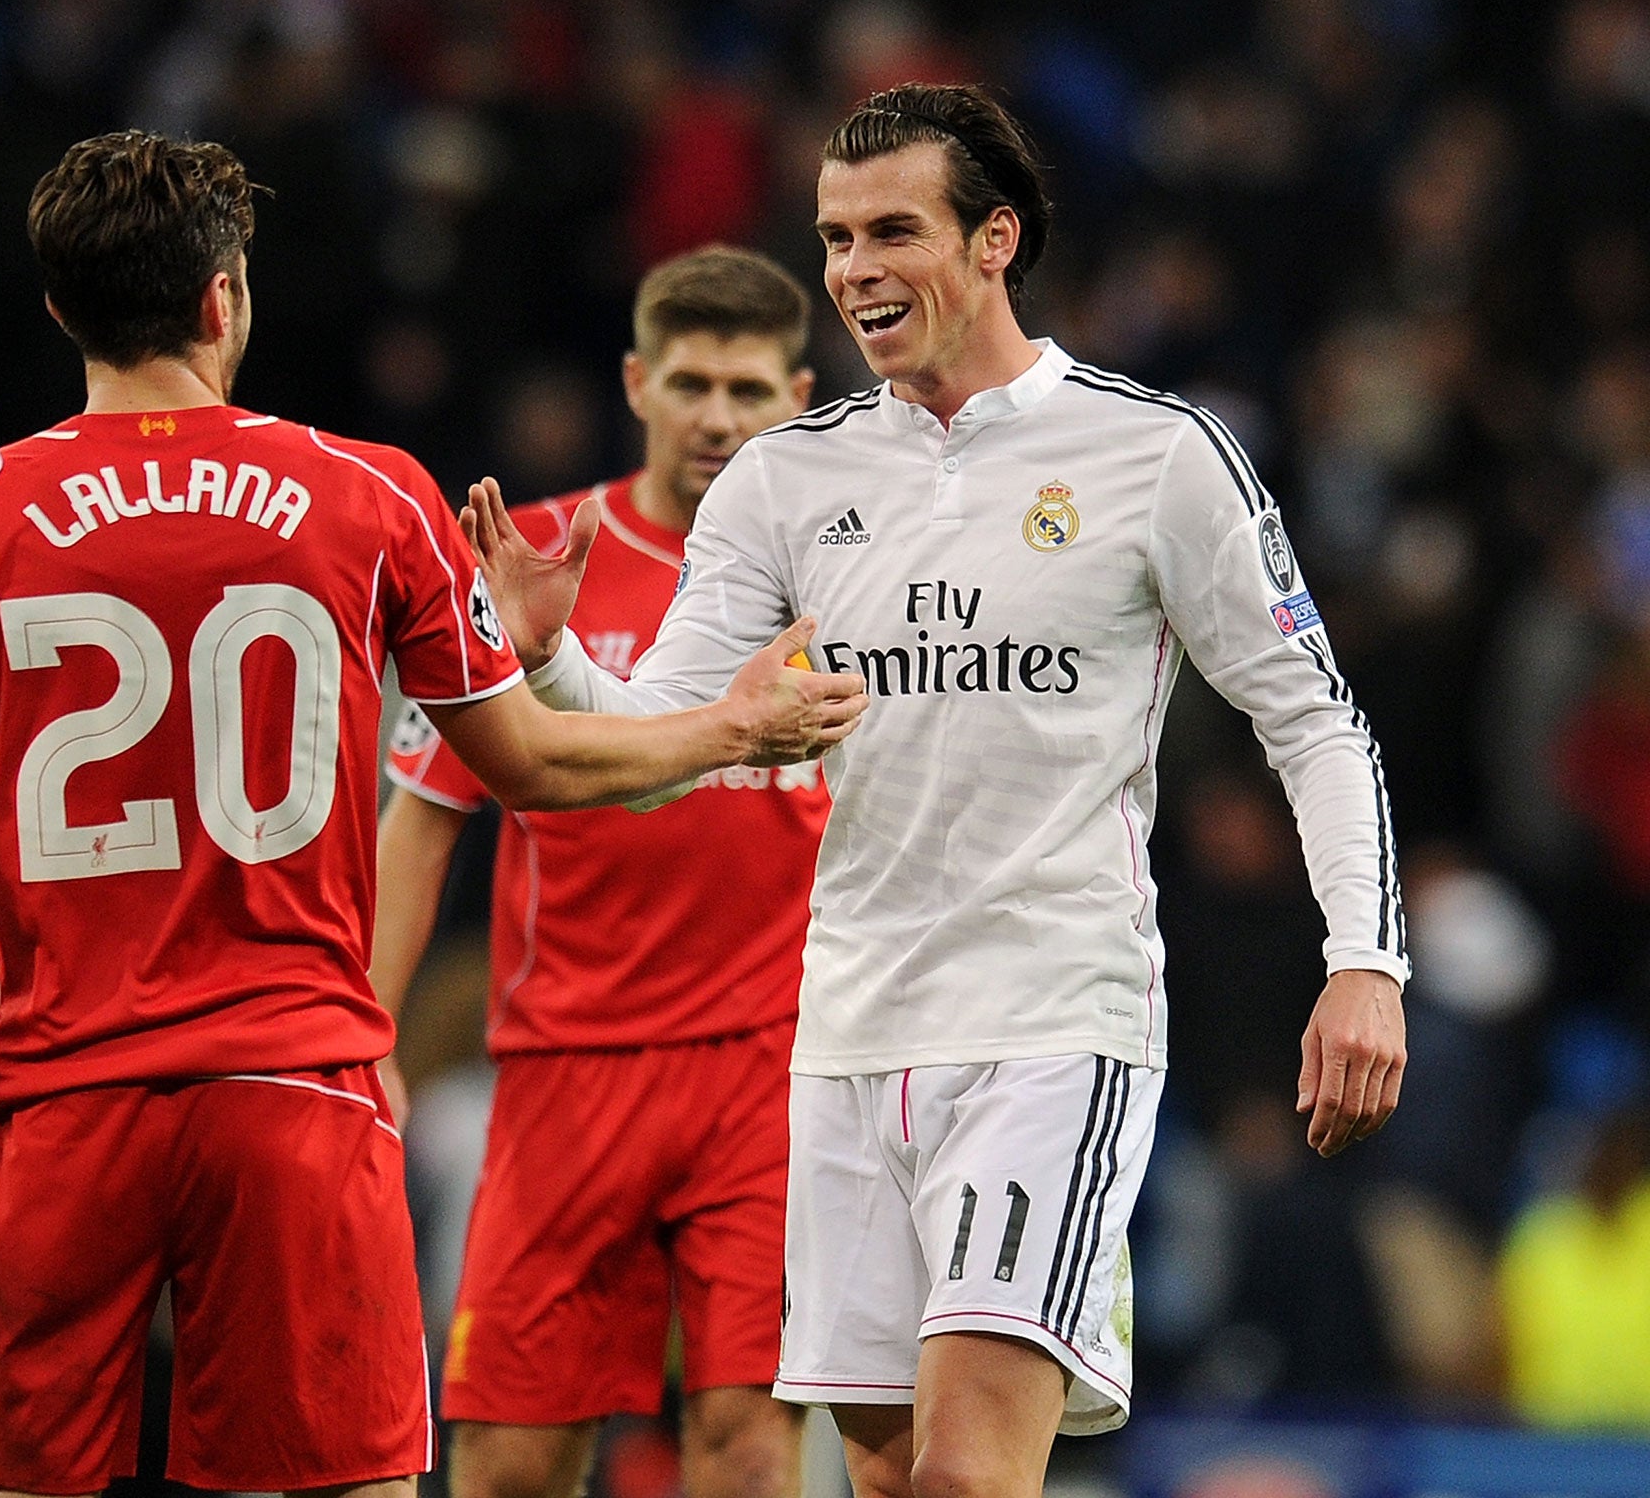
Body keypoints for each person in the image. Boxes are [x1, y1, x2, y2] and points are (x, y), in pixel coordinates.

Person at [0, 130, 865, 1498]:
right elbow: (533, 765)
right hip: (296, 1085)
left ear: (61, 307)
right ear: (223, 299)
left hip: (65, 1099)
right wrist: (738, 726)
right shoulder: (372, 496)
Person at [463, 83, 1409, 1498]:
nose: (852, 270)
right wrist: (541, 656)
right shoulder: (789, 478)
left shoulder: (1154, 453)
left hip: (1048, 1018)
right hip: (847, 1032)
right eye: (837, 238)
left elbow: (1315, 720)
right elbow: (670, 741)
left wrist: (1365, 963)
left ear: (995, 242)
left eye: (892, 231)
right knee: (894, 1478)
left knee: (970, 1474)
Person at [374, 245, 827, 1498]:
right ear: (636, 382)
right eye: (690, 383)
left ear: (796, 395)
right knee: (513, 1460)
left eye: (746, 389)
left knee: (745, 1447)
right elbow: (420, 815)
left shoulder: (857, 572)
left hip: (767, 1072)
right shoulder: (528, 558)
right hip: (564, 1066)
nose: (716, 417)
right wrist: (363, 1035)